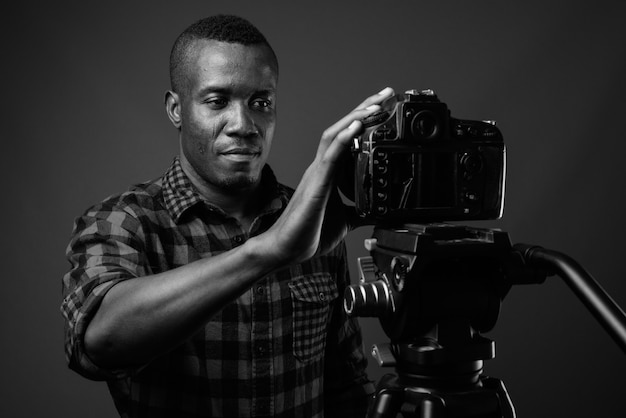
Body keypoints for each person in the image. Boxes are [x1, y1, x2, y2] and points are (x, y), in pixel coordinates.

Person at [61, 14, 395, 418]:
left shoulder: (313, 220)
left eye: (261, 102)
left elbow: (346, 387)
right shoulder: (123, 221)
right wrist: (269, 251)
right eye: (217, 101)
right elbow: (100, 342)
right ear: (176, 109)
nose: (243, 125)